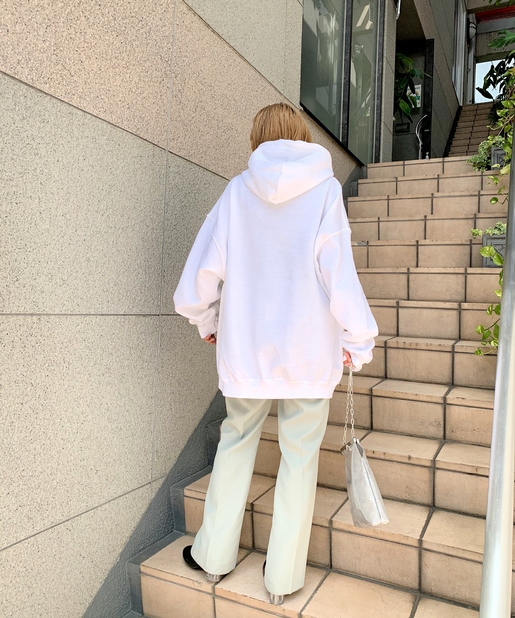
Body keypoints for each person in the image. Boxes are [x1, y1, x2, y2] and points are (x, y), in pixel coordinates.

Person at [173, 103, 378, 605]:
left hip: (246, 352)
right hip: (308, 355)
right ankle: (282, 578)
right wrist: (358, 340)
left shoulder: (237, 193)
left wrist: (208, 322)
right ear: (301, 135)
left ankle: (213, 557)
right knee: (299, 459)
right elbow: (338, 274)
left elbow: (197, 280)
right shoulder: (325, 192)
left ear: (258, 139)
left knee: (235, 441)